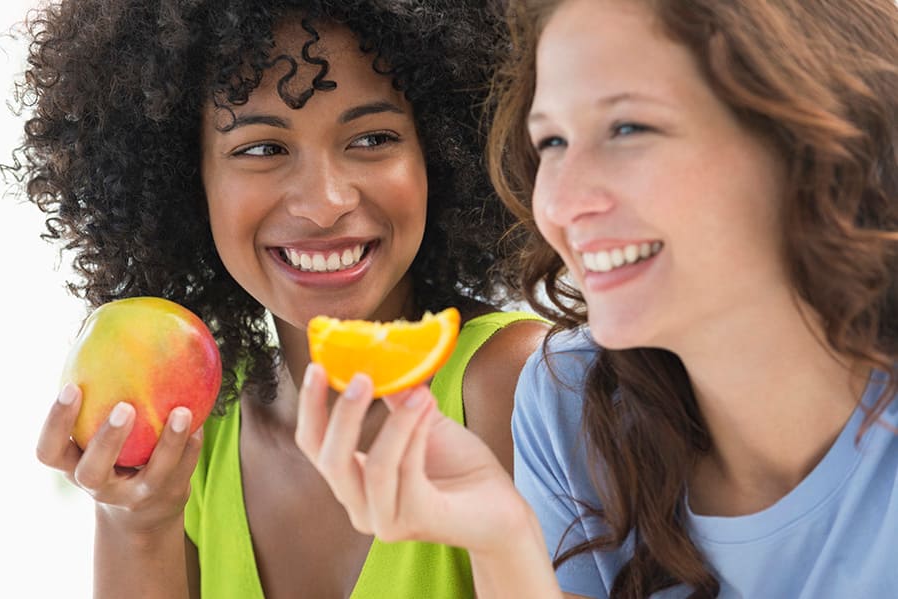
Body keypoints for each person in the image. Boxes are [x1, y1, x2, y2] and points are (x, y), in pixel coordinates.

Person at [295, 0, 898, 597]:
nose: (559, 202)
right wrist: (502, 541)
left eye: (628, 128)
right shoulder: (567, 406)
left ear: (813, 143)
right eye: (552, 141)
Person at [22, 0, 548, 597]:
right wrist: (137, 524)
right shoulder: (193, 437)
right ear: (190, 182)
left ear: (441, 151)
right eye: (262, 149)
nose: (324, 202)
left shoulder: (517, 385)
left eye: (373, 138)